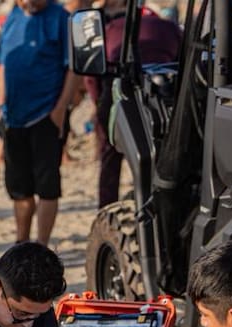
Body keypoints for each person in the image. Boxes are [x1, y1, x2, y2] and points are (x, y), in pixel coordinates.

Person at [0, 0, 80, 245]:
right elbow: (3, 62)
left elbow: (72, 69)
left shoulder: (61, 18)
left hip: (46, 114)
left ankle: (41, 244)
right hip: (13, 116)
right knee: (19, 187)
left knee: (47, 186)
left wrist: (61, 109)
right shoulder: (12, 16)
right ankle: (22, 242)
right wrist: (2, 103)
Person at [86, 0, 180, 208]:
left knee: (110, 159)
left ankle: (106, 207)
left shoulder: (110, 30)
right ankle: (158, 205)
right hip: (162, 96)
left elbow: (91, 77)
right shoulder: (169, 28)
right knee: (161, 157)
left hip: (117, 93)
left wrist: (97, 105)